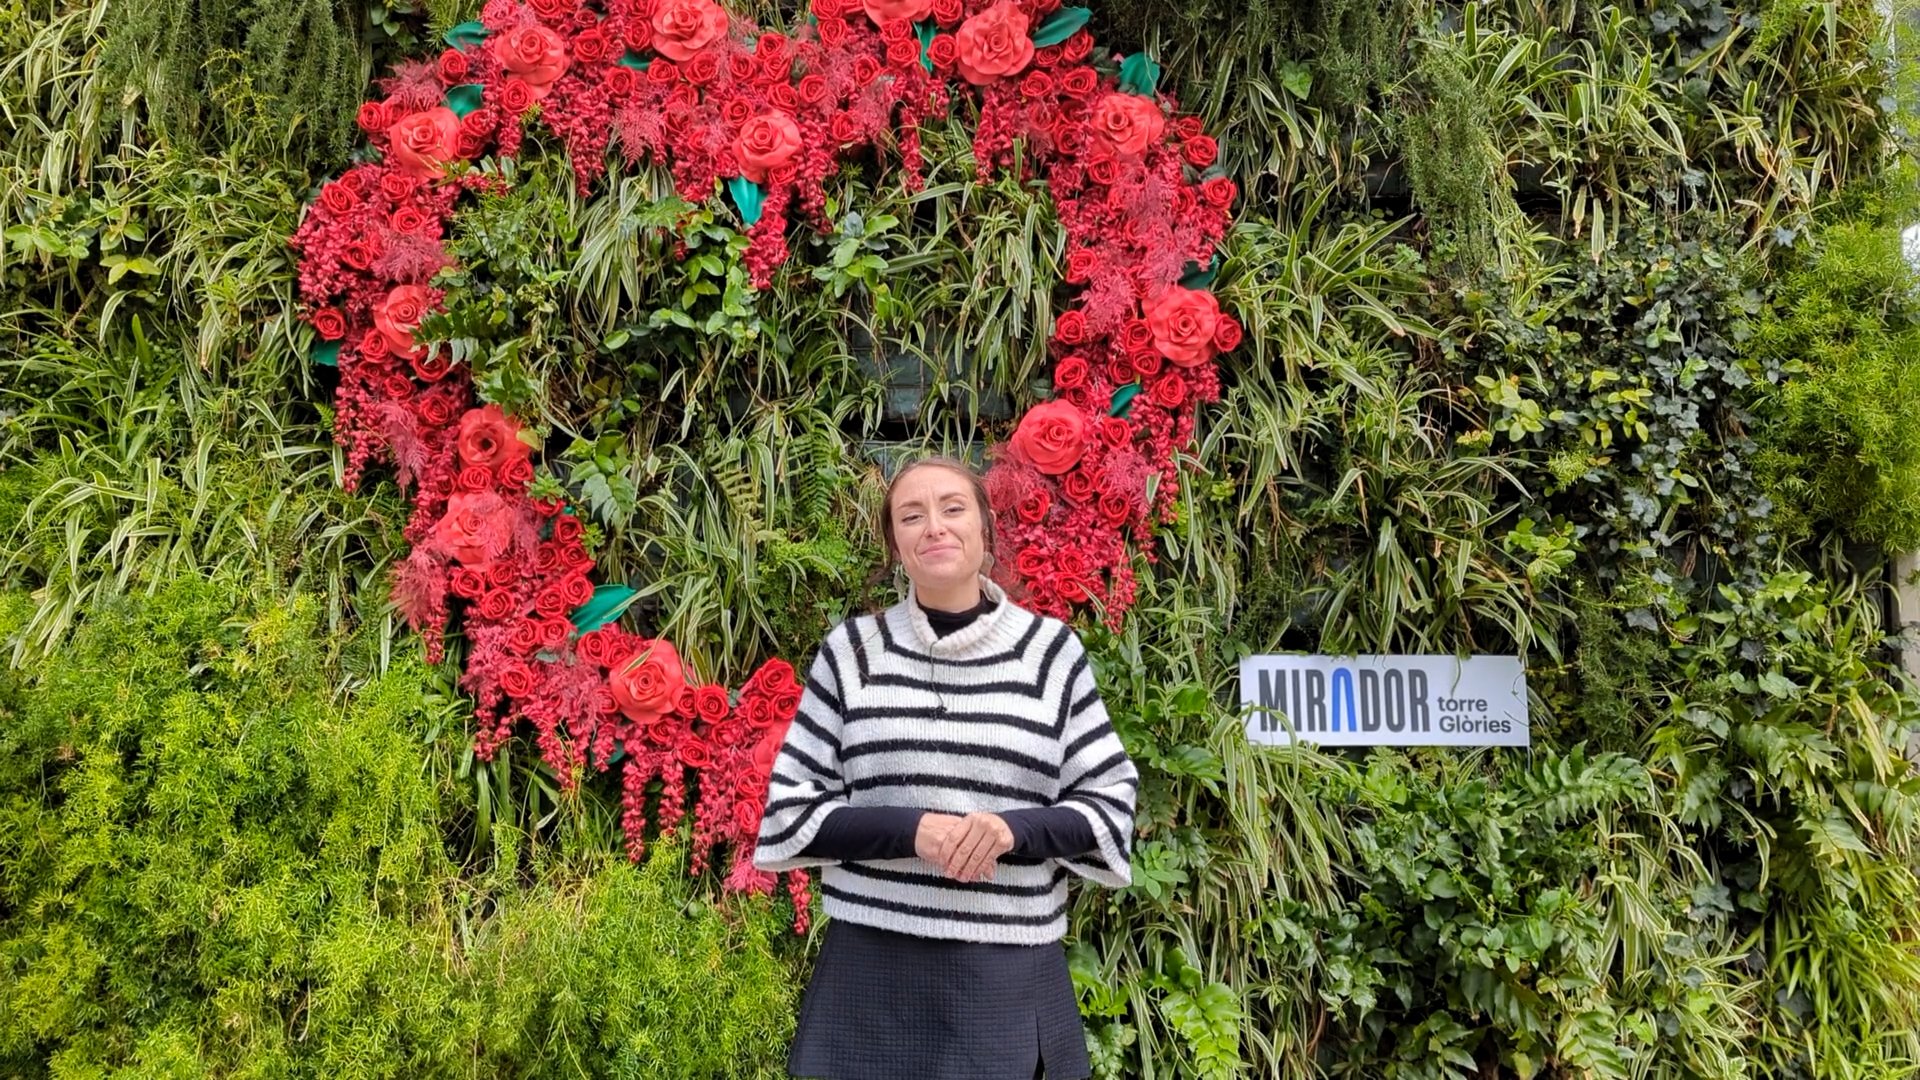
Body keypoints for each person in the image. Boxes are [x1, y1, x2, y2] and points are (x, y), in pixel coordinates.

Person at [754, 455, 1139, 1080]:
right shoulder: (851, 654)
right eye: (912, 515)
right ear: (895, 544)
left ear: (985, 529)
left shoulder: (1049, 654)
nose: (933, 526)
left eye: (952, 508)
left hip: (1007, 978)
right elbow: (790, 813)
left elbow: (1109, 807)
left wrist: (1011, 830)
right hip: (870, 974)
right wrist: (917, 832)